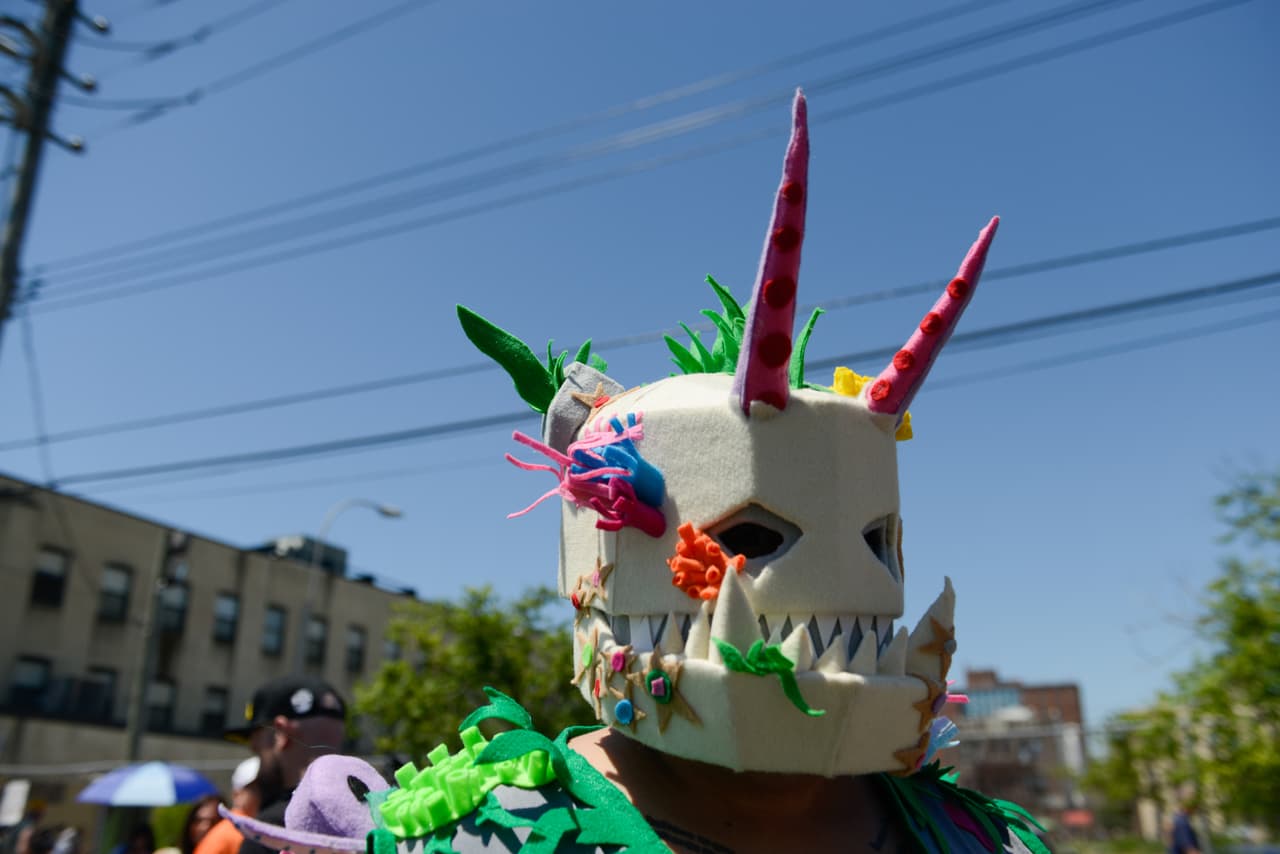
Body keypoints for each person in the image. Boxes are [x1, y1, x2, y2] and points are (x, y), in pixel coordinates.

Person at [218, 92, 1044, 853]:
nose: (849, 581)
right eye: (750, 535)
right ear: (596, 559)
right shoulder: (479, 836)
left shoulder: (986, 840)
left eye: (878, 544)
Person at [222, 676, 346, 854]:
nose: (258, 767)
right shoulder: (382, 818)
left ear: (280, 733)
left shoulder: (268, 835)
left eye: (258, 749)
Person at [193, 759, 259, 854]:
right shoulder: (238, 830)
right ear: (236, 794)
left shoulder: (241, 826)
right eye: (254, 788)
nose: (263, 793)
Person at [1169, 789, 1203, 854]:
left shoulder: (1176, 819)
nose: (1197, 806)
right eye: (1195, 803)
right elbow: (1189, 850)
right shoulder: (1182, 823)